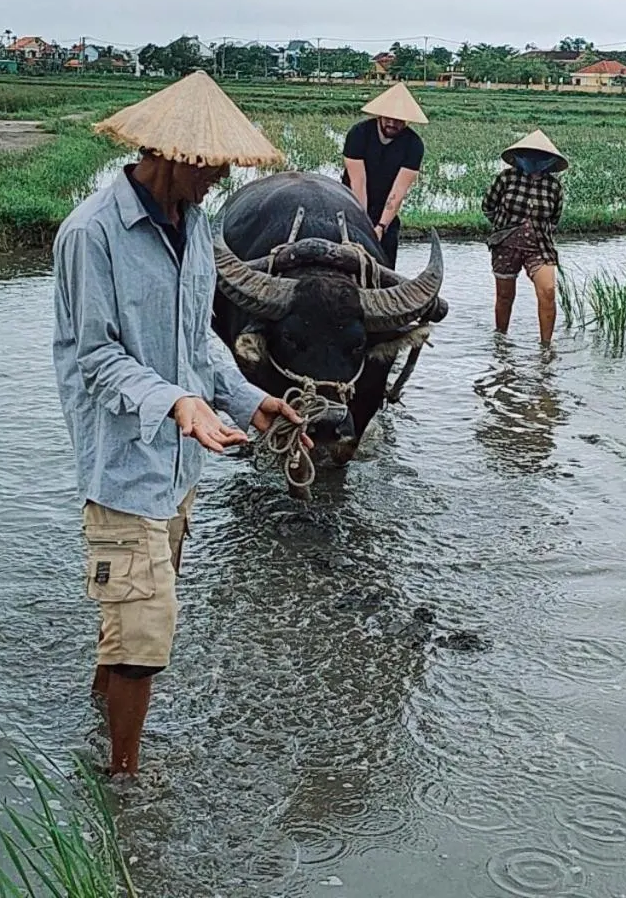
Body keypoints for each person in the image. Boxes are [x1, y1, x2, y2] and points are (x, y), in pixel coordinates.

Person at [52, 71, 307, 778]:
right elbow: (94, 356)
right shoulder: (92, 235)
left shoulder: (194, 232)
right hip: (124, 467)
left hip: (178, 469)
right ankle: (125, 783)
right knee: (145, 634)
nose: (218, 182)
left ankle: (100, 735)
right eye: (213, 168)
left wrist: (246, 398)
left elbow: (198, 344)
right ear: (178, 158)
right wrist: (177, 403)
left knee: (132, 624)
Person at [482, 128, 568, 347]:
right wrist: (507, 227)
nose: (534, 160)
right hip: (505, 244)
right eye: (530, 155)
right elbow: (488, 207)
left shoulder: (554, 186)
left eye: (540, 157)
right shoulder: (506, 178)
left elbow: (554, 219)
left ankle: (546, 346)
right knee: (504, 296)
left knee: (548, 290)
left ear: (548, 160)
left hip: (540, 246)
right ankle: (501, 341)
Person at [342, 81, 427, 269]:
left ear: (407, 120)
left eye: (398, 120)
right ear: (379, 115)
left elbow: (399, 190)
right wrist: (362, 225)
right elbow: (358, 182)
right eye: (388, 118)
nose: (392, 123)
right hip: (351, 204)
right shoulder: (359, 134)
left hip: (386, 210)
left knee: (386, 265)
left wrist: (380, 227)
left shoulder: (414, 144)